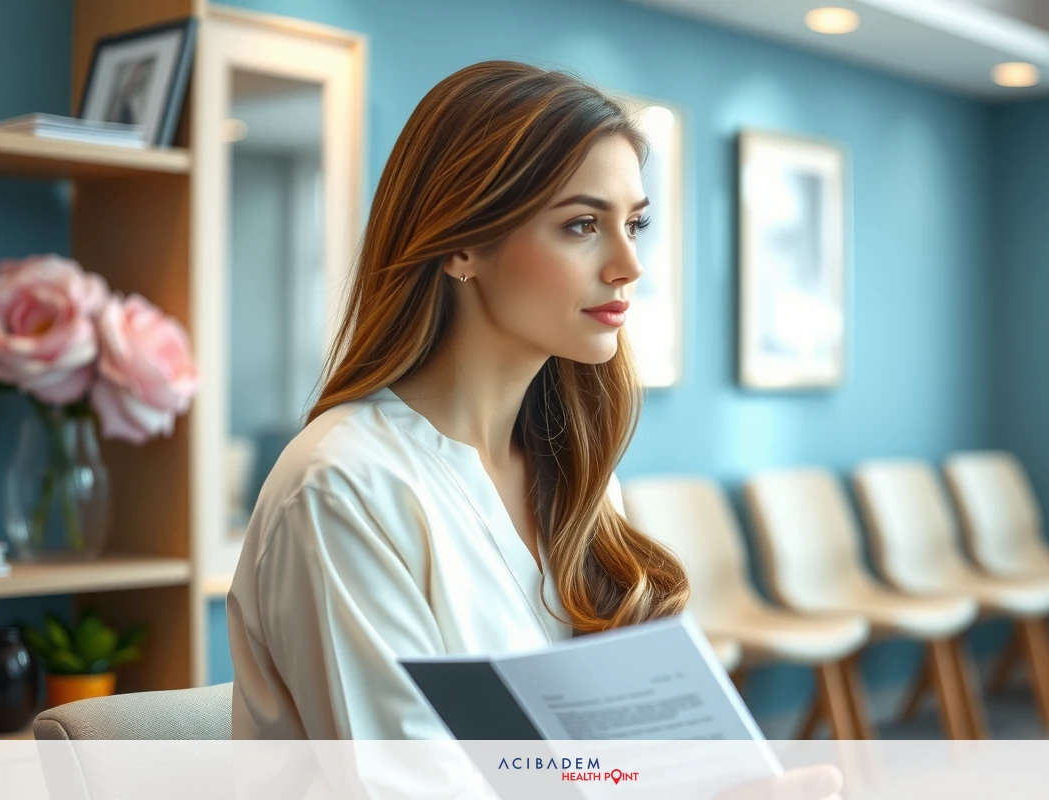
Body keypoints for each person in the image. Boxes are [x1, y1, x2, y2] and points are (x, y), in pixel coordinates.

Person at [226, 60, 840, 800]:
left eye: (634, 223)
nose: (628, 264)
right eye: (582, 225)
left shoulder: (575, 475)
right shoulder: (342, 489)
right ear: (460, 246)